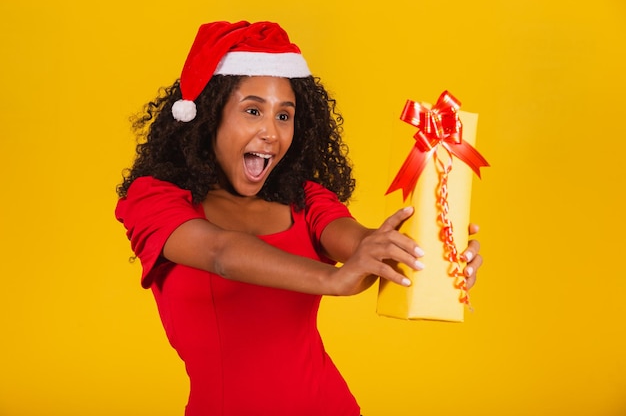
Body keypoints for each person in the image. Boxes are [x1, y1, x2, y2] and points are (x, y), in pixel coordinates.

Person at [115, 20, 482, 416]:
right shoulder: (155, 200)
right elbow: (221, 252)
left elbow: (359, 242)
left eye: (284, 116)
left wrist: (433, 252)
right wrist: (333, 279)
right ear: (208, 116)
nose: (271, 133)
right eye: (253, 110)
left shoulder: (303, 199)